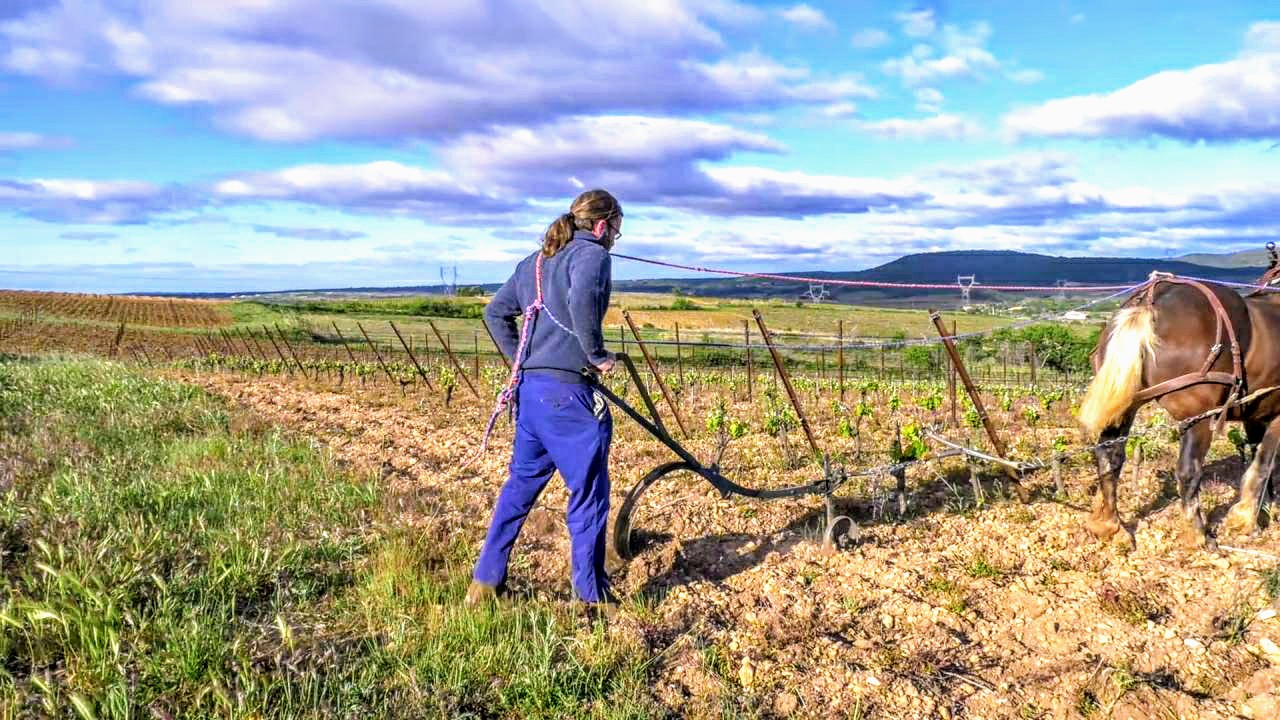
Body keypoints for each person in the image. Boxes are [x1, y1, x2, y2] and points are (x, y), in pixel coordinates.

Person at [468, 189, 622, 608]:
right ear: (603, 225)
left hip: (530, 396)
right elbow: (581, 301)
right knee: (589, 494)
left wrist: (522, 361)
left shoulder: (533, 263)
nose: (614, 241)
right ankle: (591, 598)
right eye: (616, 232)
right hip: (569, 396)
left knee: (520, 486)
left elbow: (494, 313)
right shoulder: (592, 256)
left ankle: (484, 582)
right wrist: (597, 355)